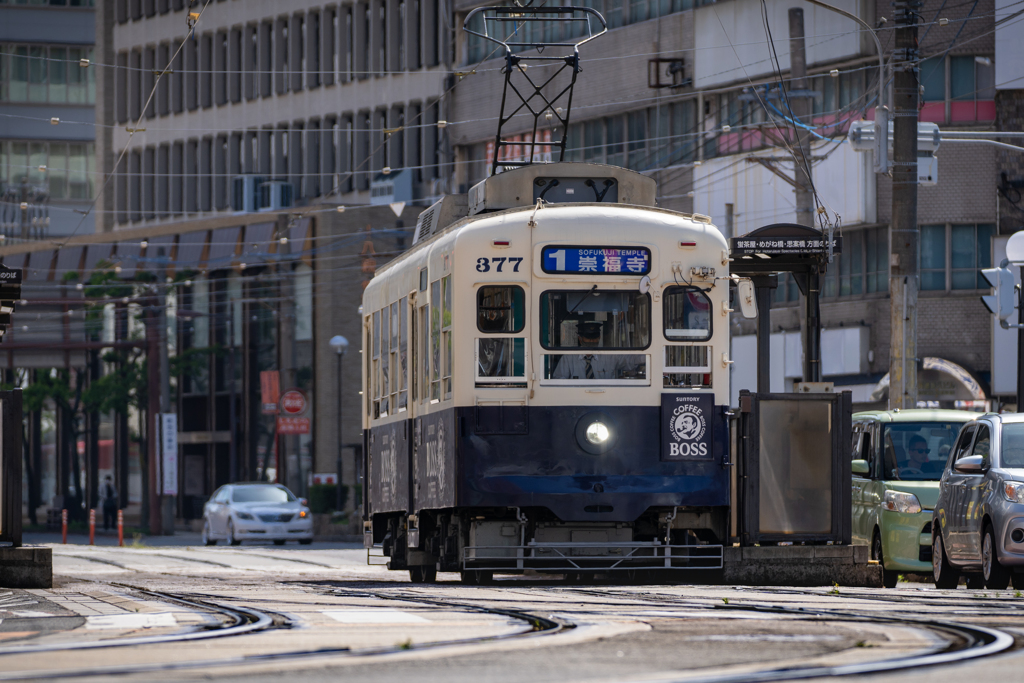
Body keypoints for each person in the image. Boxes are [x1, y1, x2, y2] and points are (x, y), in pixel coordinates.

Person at [552, 321, 633, 379]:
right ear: (580, 339)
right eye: (588, 338)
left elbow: (629, 361)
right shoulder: (568, 358)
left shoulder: (609, 356)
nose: (591, 341)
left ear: (599, 338)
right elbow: (559, 379)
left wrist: (644, 357)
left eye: (594, 338)